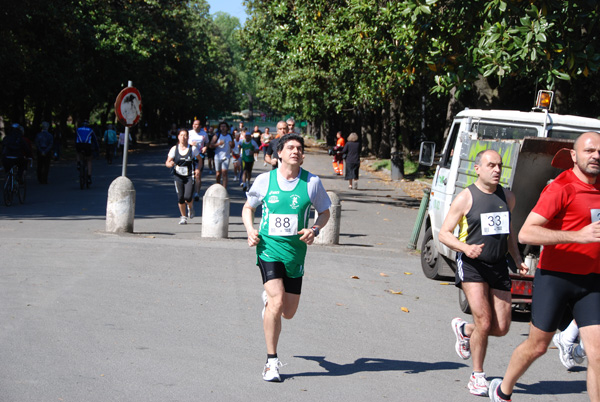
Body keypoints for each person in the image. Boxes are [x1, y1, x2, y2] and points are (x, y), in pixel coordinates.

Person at [489, 132, 600, 402]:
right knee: (537, 346)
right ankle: (503, 390)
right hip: (555, 279)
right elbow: (527, 233)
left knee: (597, 354)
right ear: (574, 156)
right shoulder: (561, 187)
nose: (596, 155)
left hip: (592, 281)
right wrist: (578, 236)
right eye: (589, 150)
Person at [242, 133, 332, 382]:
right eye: (290, 147)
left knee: (288, 312)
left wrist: (314, 229)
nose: (295, 151)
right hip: (268, 248)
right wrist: (251, 230)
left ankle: (271, 302)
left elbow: (324, 212)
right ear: (279, 153)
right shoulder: (264, 180)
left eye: (299, 148)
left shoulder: (311, 182)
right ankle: (271, 362)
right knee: (277, 301)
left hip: (295, 253)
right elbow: (248, 208)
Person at [438, 149, 528, 397]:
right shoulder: (465, 198)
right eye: (491, 165)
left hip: (498, 266)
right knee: (485, 322)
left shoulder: (508, 197)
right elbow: (444, 233)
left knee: (501, 328)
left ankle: (465, 330)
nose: (497, 169)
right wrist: (466, 248)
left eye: (500, 166)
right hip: (471, 265)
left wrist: (517, 259)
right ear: (478, 168)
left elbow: (509, 233)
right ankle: (477, 375)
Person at [165, 129, 200, 225]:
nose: (183, 137)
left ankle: (190, 207)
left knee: (188, 197)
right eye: (181, 135)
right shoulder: (174, 149)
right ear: (178, 137)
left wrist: (197, 169)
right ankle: (183, 217)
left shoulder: (192, 149)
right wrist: (170, 164)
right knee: (180, 198)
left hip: (189, 176)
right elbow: (167, 162)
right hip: (178, 176)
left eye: (185, 135)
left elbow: (200, 160)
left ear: (188, 137)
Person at [188, 120, 208, 201]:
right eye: (194, 124)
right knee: (189, 175)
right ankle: (189, 191)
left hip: (200, 156)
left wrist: (205, 147)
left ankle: (196, 193)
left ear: (200, 126)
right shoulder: (189, 133)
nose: (195, 126)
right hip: (189, 155)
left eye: (197, 125)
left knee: (198, 174)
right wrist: (190, 144)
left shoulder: (204, 134)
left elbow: (207, 143)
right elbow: (183, 142)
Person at [211, 121, 234, 188]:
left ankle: (224, 189)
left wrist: (231, 144)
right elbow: (210, 145)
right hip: (218, 156)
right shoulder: (217, 135)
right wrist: (218, 144)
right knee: (218, 174)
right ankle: (218, 186)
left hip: (226, 156)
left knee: (224, 173)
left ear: (227, 128)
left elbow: (233, 146)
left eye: (224, 126)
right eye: (221, 126)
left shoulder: (230, 136)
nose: (223, 128)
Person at [75, 121, 98, 185]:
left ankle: (78, 163)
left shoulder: (78, 129)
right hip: (87, 145)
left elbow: (75, 138)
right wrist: (97, 148)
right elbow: (94, 140)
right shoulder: (90, 130)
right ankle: (89, 177)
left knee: (78, 152)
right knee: (89, 160)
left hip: (79, 144)